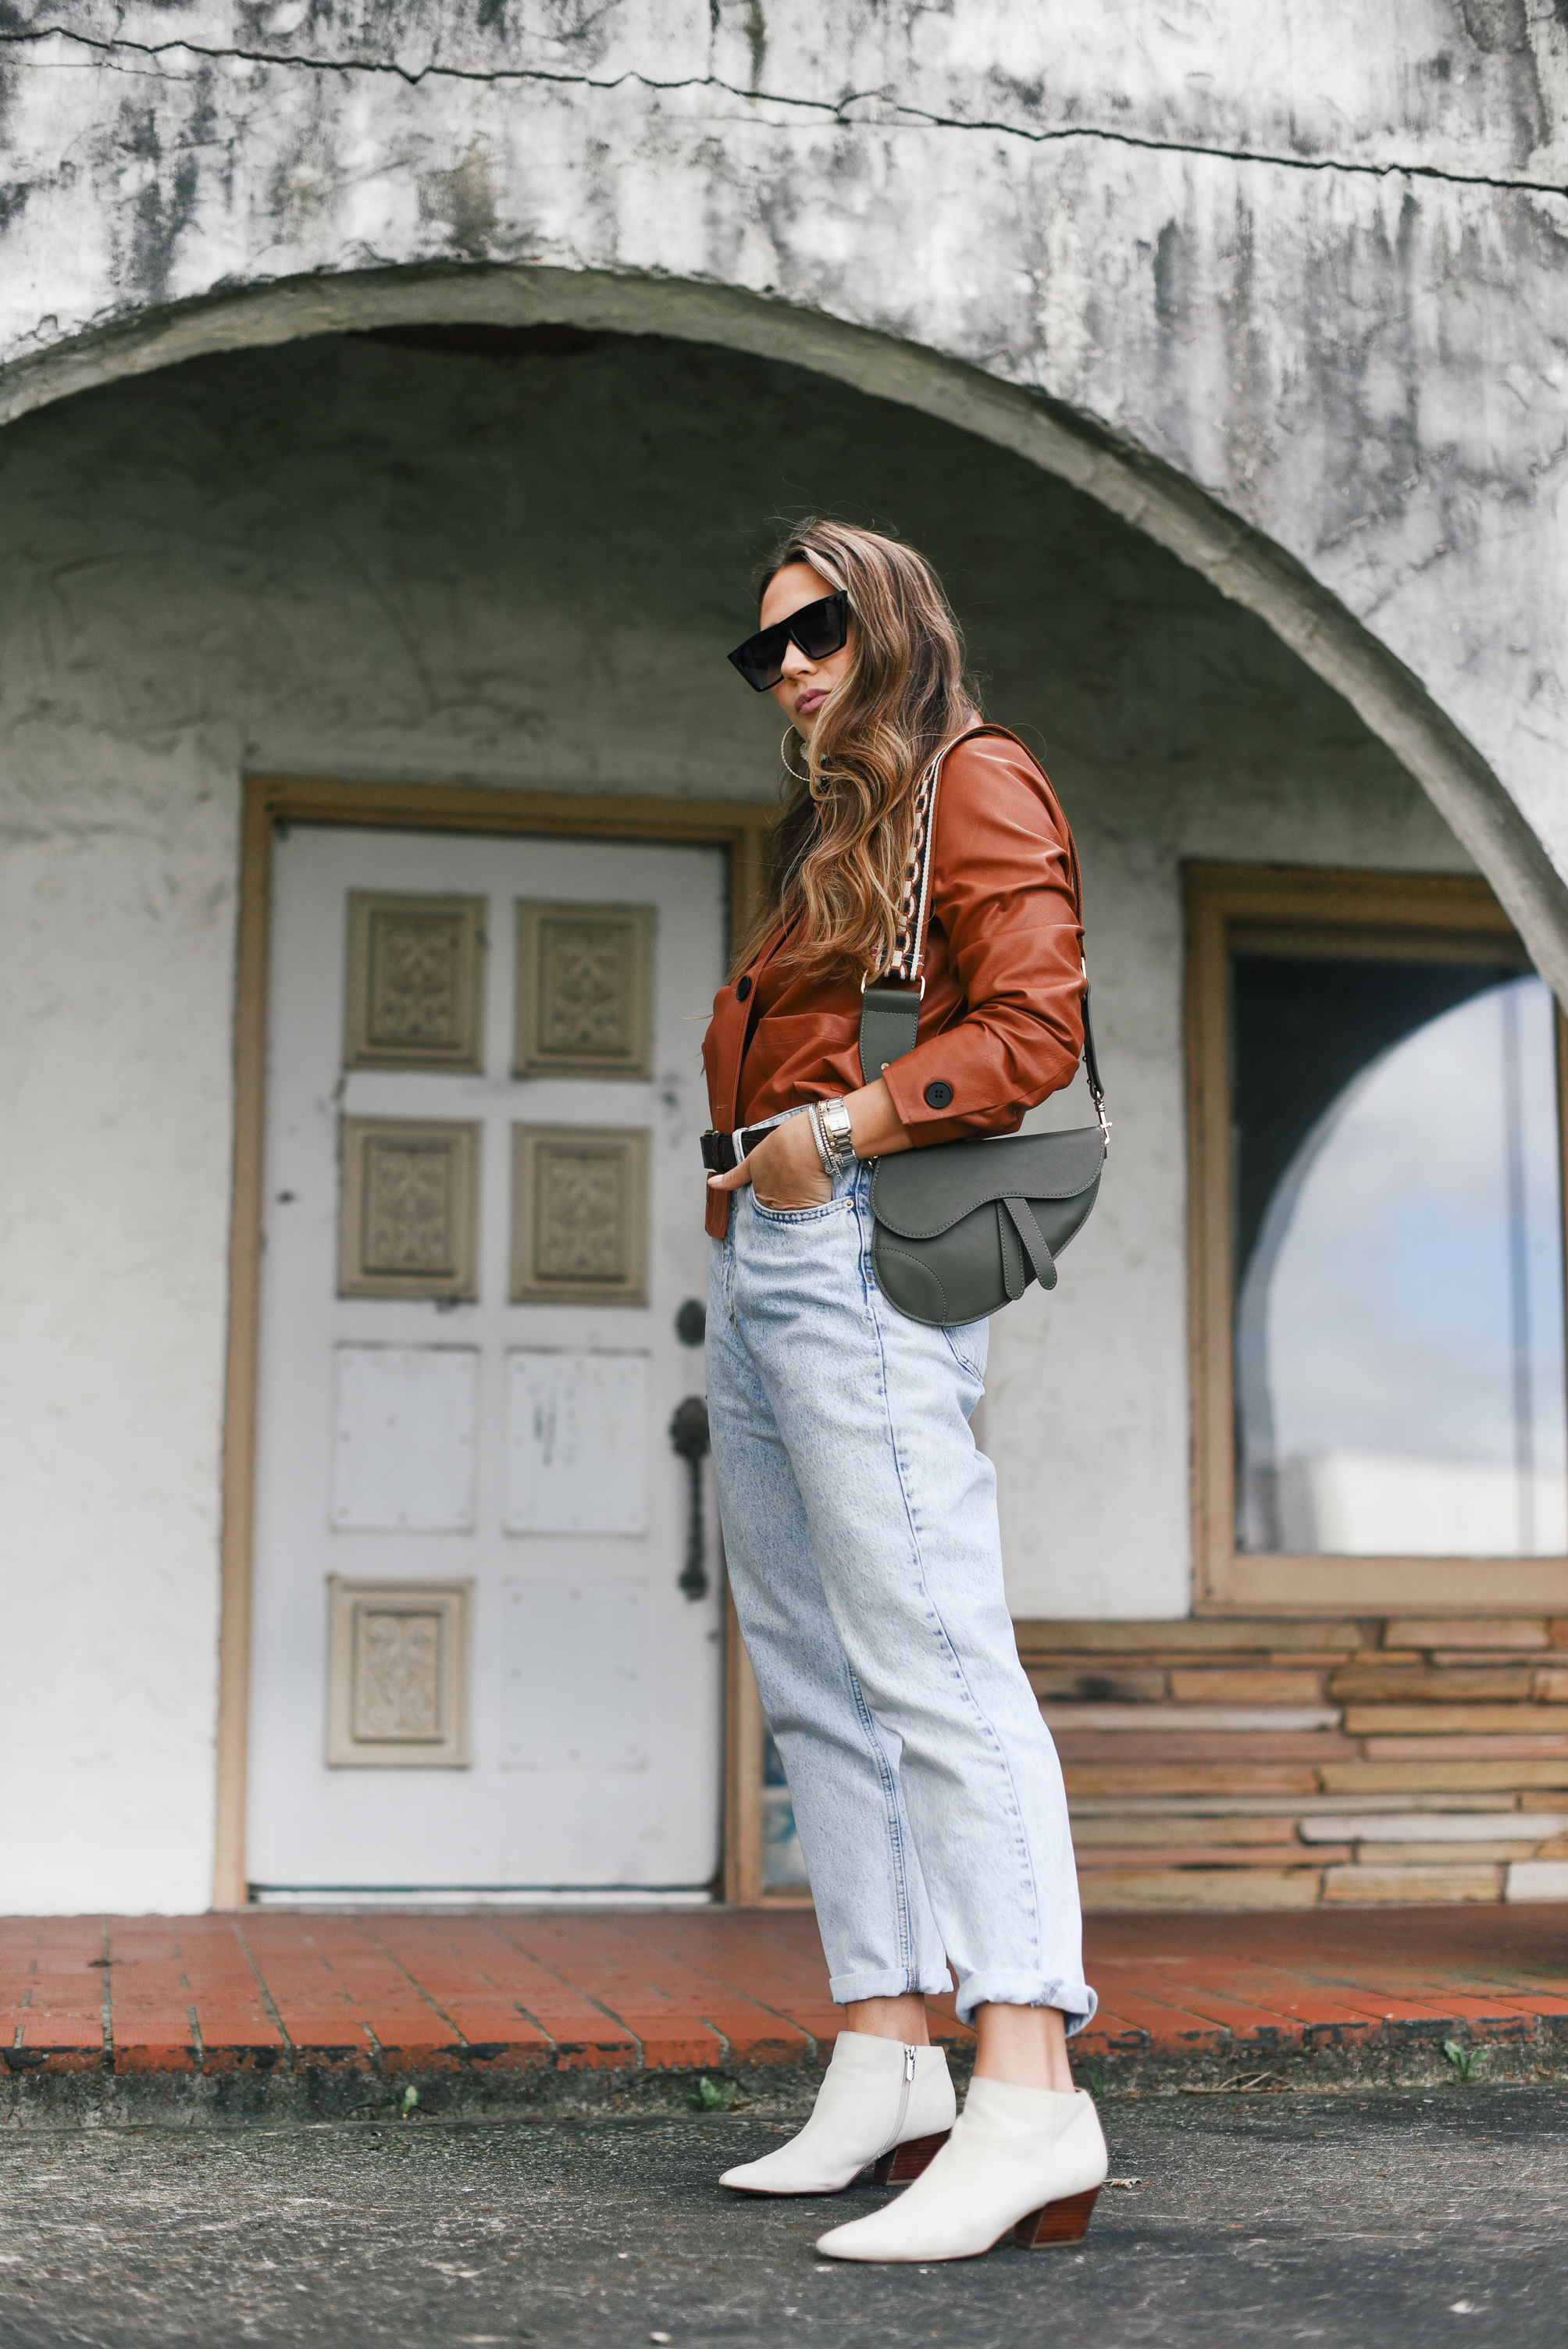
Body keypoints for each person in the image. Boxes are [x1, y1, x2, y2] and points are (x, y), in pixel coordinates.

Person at [699, 521, 1107, 2264]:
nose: (787, 661)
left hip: (853, 1238)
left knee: (935, 1655)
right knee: (813, 1664)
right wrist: (752, 1173)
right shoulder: (841, 825)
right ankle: (888, 2046)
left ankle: (1027, 2086)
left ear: (891, 623)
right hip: (764, 1244)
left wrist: (829, 1137)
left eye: (814, 629)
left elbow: (1034, 1027)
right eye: (762, 647)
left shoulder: (975, 777)